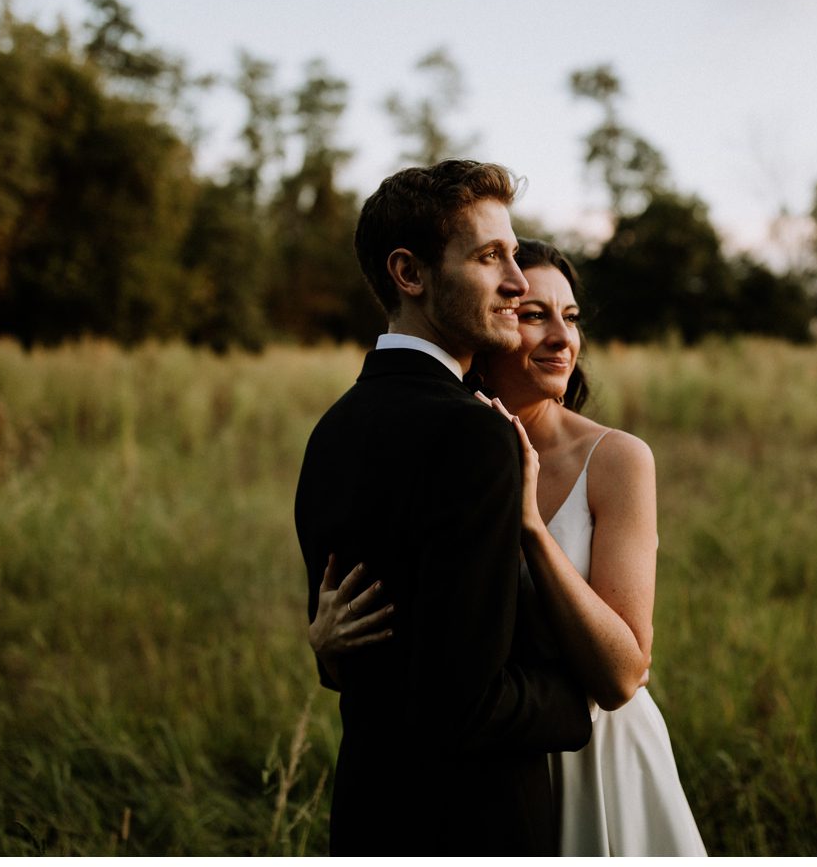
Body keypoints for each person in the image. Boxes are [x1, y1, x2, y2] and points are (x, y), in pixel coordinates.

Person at [310, 238, 708, 856]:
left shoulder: (617, 460)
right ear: (491, 327)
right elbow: (422, 636)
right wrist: (331, 651)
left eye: (570, 317)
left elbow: (624, 674)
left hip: (596, 758)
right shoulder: (446, 445)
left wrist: (529, 526)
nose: (561, 338)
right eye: (533, 315)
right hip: (482, 769)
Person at [295, 161, 594, 854]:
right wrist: (583, 701)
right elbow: (468, 704)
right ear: (410, 273)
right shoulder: (474, 434)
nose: (517, 284)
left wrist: (328, 657)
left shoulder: (331, 429)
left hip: (369, 815)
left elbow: (360, 642)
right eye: (492, 257)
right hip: (471, 822)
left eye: (515, 256)